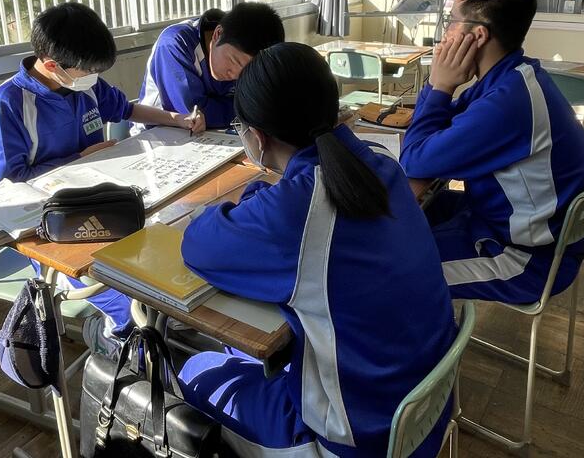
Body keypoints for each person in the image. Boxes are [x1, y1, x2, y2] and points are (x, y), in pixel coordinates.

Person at [177, 42, 457, 457]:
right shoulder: (379, 160)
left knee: (194, 369)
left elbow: (198, 244)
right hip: (423, 408)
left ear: (257, 137)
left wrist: (250, 202)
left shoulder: (296, 209)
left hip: (353, 439)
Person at [0, 2, 205, 349]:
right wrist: (79, 159)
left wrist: (177, 119)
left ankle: (159, 327)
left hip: (103, 203)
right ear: (52, 65)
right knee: (129, 300)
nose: (93, 77)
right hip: (53, 229)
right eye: (88, 71)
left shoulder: (82, 83)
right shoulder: (9, 104)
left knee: (166, 260)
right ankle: (108, 337)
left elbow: (125, 109)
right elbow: (7, 186)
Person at [400, 0, 584, 304]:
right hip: (500, 219)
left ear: (477, 35)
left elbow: (414, 161)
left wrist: (439, 84)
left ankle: (433, 335)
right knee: (393, 222)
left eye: (451, 21)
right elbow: (441, 131)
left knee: (390, 272)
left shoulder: (508, 103)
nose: (445, 34)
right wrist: (441, 91)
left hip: (526, 258)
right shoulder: (514, 76)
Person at [135, 2, 285, 130]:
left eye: (246, 71)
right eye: (234, 61)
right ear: (217, 34)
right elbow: (194, 113)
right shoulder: (175, 43)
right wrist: (248, 108)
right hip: (154, 136)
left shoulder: (249, 55)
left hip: (213, 136)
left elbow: (264, 101)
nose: (235, 75)